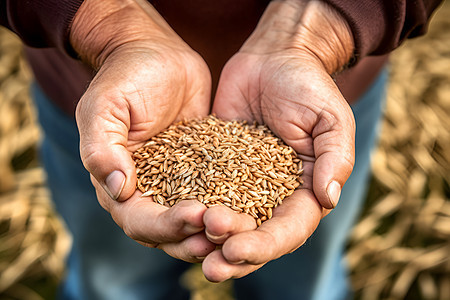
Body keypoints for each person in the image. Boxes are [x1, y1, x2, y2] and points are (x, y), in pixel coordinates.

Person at [1, 0, 442, 299]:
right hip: (109, 107)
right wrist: (104, 22)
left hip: (317, 101)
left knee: (304, 279)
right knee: (116, 280)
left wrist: (329, 23)